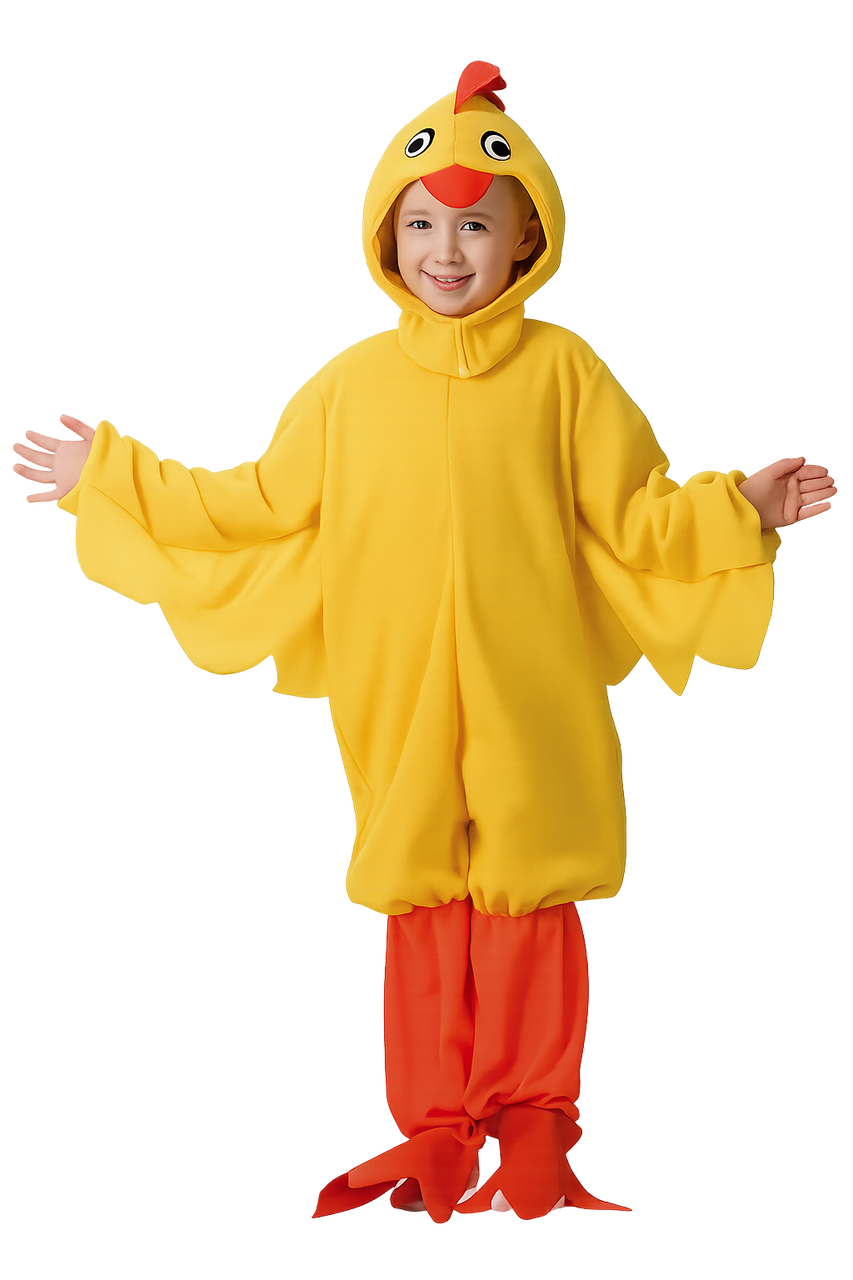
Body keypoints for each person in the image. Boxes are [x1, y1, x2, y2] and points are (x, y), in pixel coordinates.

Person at [8, 57, 840, 1226]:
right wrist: (112, 471)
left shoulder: (566, 373)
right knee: (419, 903)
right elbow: (246, 503)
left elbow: (638, 513)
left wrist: (740, 507)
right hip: (393, 700)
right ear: (385, 238)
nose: (446, 251)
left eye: (474, 225)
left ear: (526, 239)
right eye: (421, 225)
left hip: (536, 701)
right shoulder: (346, 386)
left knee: (532, 897)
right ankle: (435, 1135)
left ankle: (536, 1131)